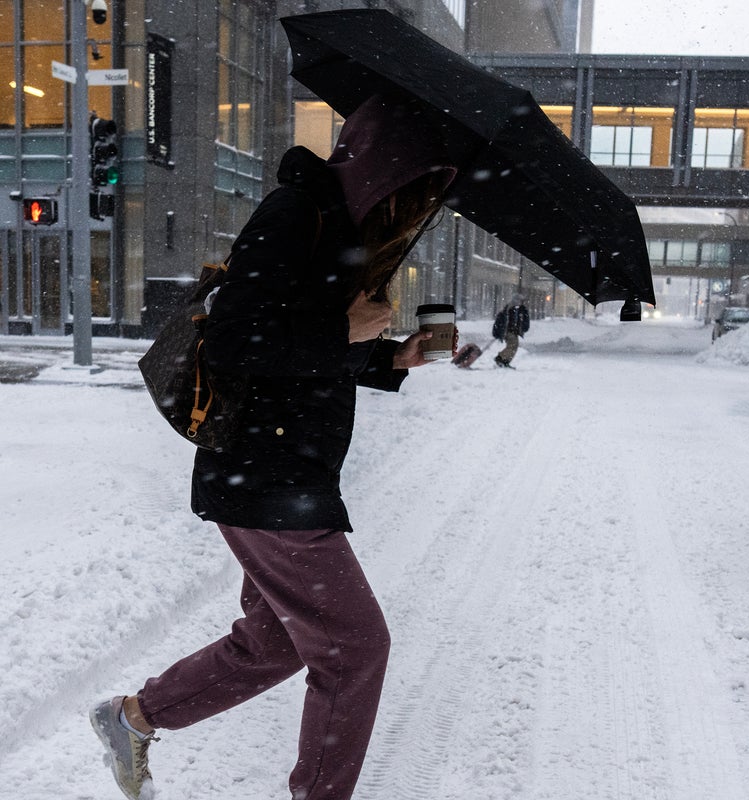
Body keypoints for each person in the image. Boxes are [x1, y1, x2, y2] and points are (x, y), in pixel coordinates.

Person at [89, 94, 458, 800]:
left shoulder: (340, 228)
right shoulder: (297, 215)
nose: (416, 205)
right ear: (383, 170)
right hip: (265, 475)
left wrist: (388, 357)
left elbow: (304, 345)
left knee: (276, 642)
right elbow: (232, 340)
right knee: (355, 651)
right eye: (414, 186)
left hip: (283, 471)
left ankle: (133, 718)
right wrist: (342, 333)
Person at [492, 295, 530, 368]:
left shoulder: (518, 309)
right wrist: (498, 331)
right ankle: (500, 358)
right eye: (521, 301)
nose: (522, 303)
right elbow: (502, 320)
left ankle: (505, 361)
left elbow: (520, 321)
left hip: (513, 331)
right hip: (508, 331)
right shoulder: (510, 309)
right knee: (513, 345)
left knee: (514, 346)